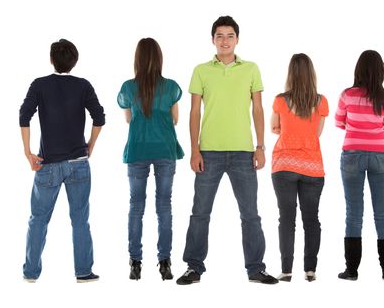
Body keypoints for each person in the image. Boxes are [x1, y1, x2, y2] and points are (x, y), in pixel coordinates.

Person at [176, 16, 278, 285]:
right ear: (213, 39)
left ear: (237, 39)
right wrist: (194, 149)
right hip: (208, 152)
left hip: (244, 153)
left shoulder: (251, 69)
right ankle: (193, 267)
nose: (224, 40)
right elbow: (194, 111)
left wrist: (260, 146)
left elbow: (258, 108)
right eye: (219, 35)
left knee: (250, 213)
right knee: (200, 212)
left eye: (229, 35)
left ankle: (256, 268)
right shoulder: (201, 70)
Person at [19, 39, 105, 283]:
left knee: (38, 219)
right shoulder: (83, 85)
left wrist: (28, 153)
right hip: (79, 163)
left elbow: (24, 116)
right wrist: (91, 145)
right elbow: (99, 117)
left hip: (47, 164)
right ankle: (84, 272)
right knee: (80, 219)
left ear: (51, 59)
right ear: (74, 62)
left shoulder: (39, 84)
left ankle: (31, 273)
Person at [117, 38, 184, 281]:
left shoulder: (127, 88)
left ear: (137, 59)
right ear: (159, 59)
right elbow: (175, 119)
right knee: (164, 206)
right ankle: (164, 261)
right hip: (165, 150)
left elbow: (128, 119)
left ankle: (135, 262)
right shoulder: (171, 87)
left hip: (138, 150)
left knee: (136, 206)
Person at [335, 50, 384, 281]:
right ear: (381, 70)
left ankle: (351, 270)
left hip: (352, 154)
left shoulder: (347, 95)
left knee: (354, 214)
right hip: (381, 155)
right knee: (383, 213)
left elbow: (340, 122)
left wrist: (357, 130)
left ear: (358, 69)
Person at [270, 54, 328, 282]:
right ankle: (310, 270)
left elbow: (275, 126)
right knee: (311, 219)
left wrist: (287, 130)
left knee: (286, 218)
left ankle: (286, 270)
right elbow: (317, 133)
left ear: (290, 74)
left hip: (284, 165)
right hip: (313, 167)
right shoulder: (321, 101)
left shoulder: (280, 101)